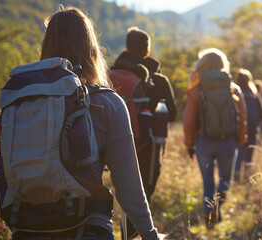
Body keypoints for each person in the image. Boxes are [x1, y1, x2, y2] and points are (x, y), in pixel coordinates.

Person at [10, 7, 161, 240]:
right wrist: (150, 235)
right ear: (91, 48)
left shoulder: (21, 100)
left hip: (26, 225)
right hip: (86, 225)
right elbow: (128, 185)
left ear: (47, 46)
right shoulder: (107, 102)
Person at [111, 27, 176, 238]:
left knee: (123, 189)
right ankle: (136, 234)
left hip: (116, 143)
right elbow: (173, 114)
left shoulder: (111, 74)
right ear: (147, 50)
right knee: (144, 190)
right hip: (148, 144)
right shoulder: (158, 79)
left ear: (127, 48)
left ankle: (127, 234)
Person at [183, 48, 247, 228]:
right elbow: (242, 119)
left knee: (208, 183)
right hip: (228, 143)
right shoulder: (233, 89)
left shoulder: (196, 90)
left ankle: (209, 215)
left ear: (201, 66)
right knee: (226, 179)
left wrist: (189, 145)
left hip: (204, 143)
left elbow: (188, 123)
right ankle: (217, 206)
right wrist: (240, 141)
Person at [234, 69, 262, 181]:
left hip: (239, 126)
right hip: (253, 126)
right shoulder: (254, 94)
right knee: (250, 149)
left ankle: (237, 171)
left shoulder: (234, 93)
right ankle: (248, 173)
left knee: (239, 148)